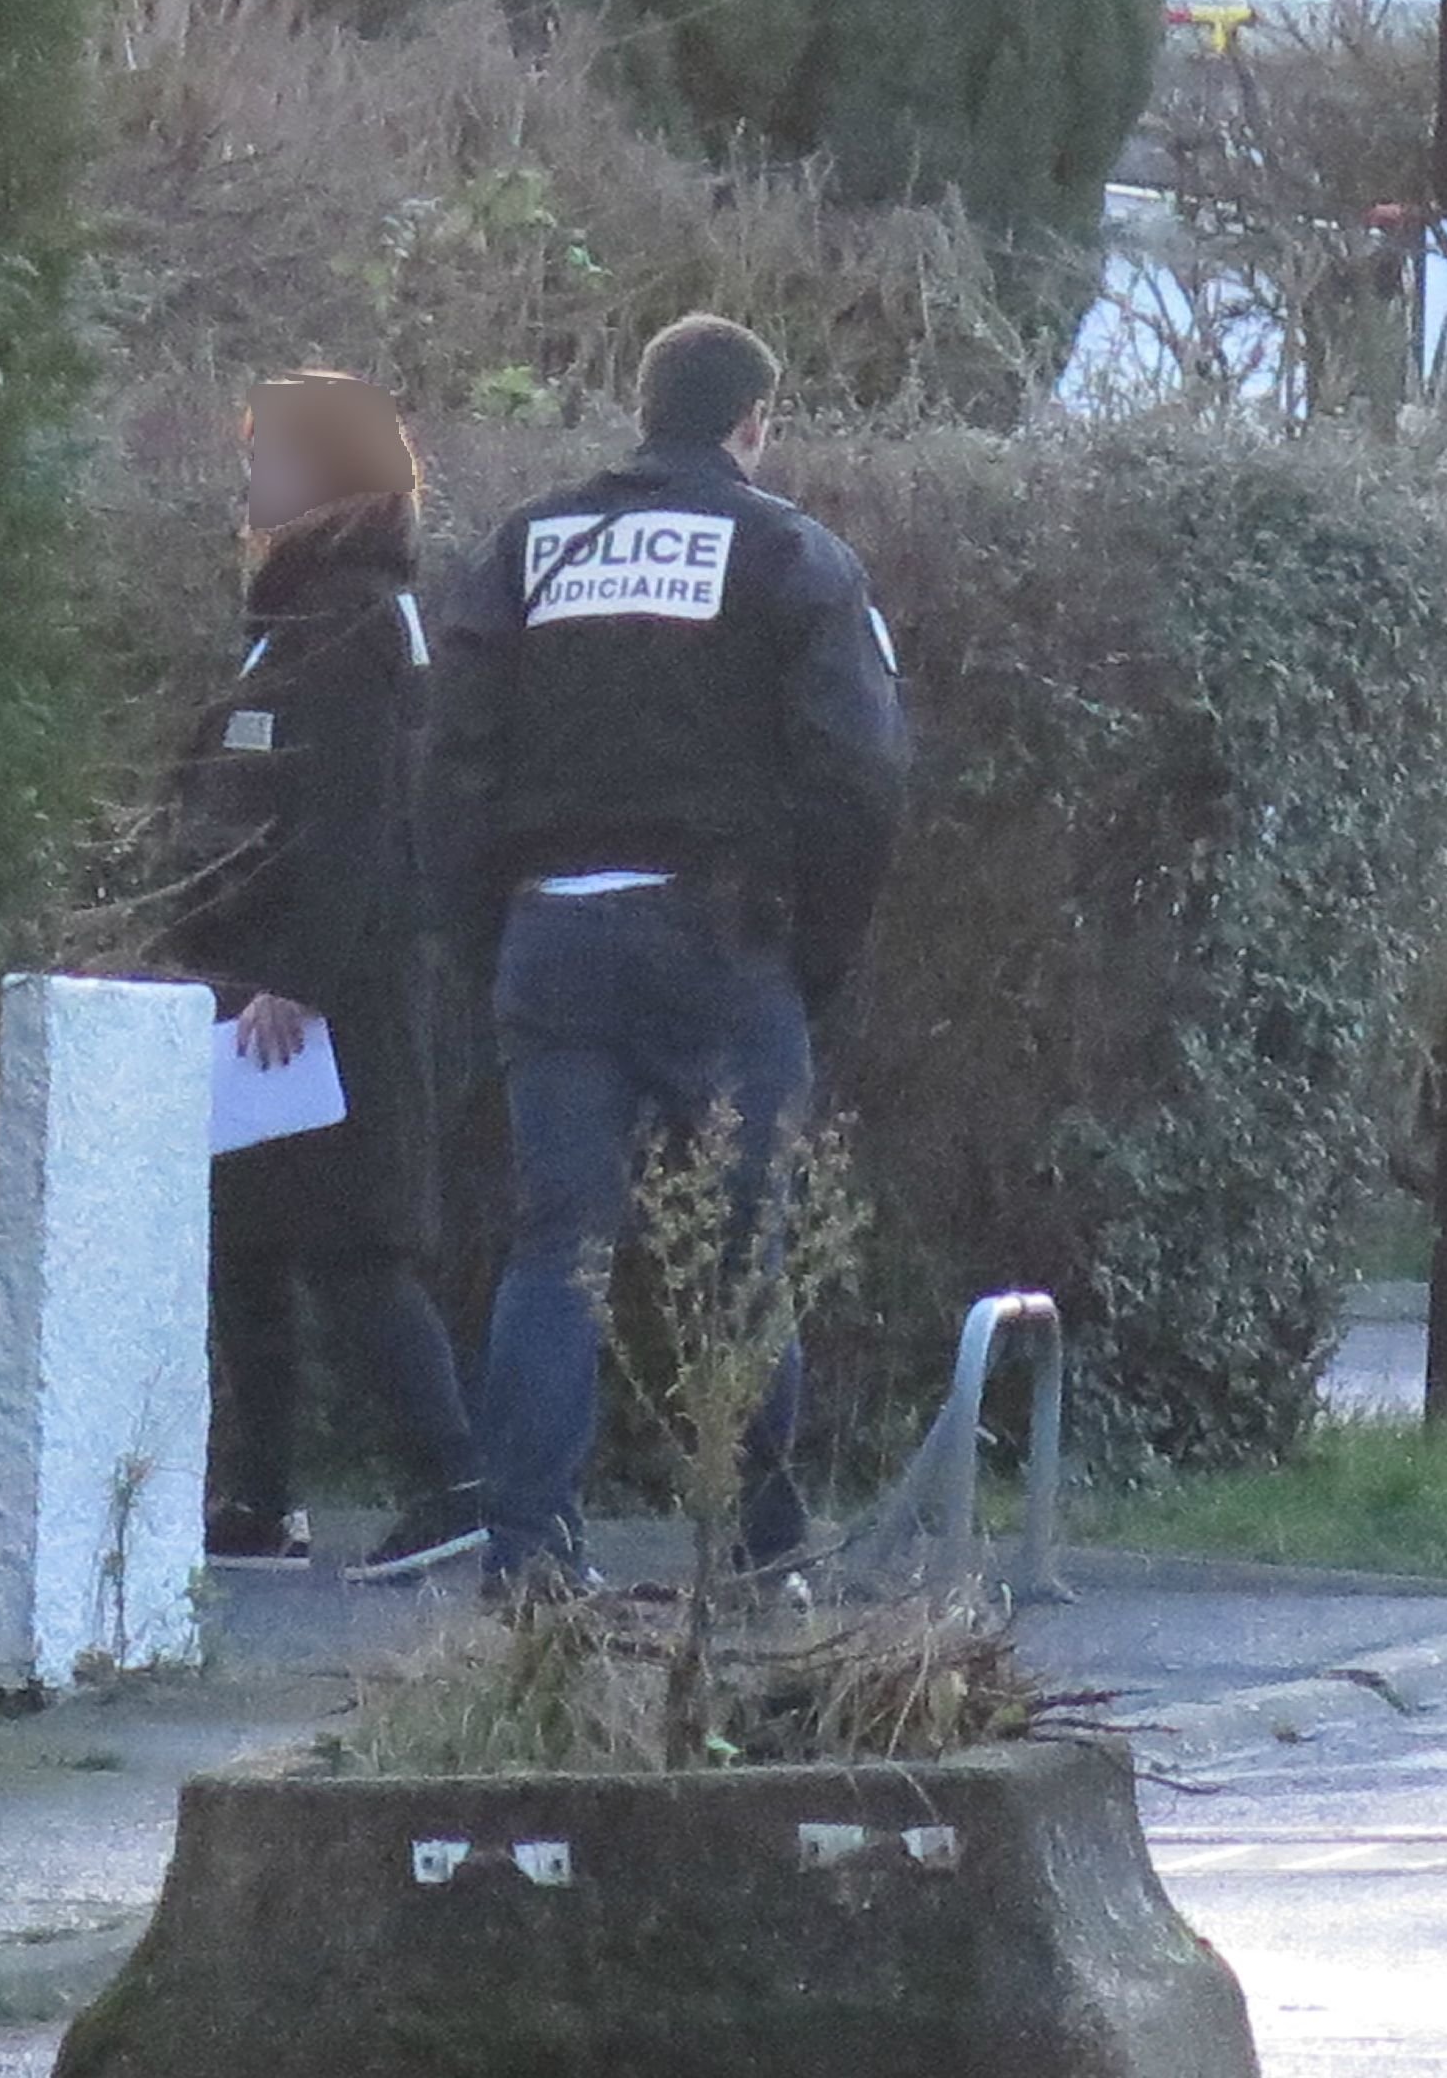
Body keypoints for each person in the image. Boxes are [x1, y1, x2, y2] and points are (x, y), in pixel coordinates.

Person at [427, 314, 908, 1596]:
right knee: (745, 1247)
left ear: (642, 409)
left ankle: (525, 1551)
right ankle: (759, 1545)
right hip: (720, 936)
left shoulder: (530, 546)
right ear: (754, 422)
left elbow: (453, 761)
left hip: (551, 931)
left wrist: (490, 933)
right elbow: (858, 772)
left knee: (557, 1247)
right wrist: (817, 953)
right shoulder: (789, 554)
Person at [171, 372, 486, 1584]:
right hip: (249, 983)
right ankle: (260, 1498)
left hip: (324, 998)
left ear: (333, 476)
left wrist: (297, 978)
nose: (251, 483)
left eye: (272, 459)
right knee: (244, 1239)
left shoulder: (357, 618)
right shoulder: (291, 614)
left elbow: (359, 820)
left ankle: (449, 1481)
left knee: (356, 1244)